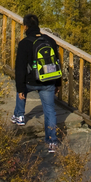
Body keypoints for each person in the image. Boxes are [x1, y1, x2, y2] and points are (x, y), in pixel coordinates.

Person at [13, 13, 62, 153]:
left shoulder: (24, 43)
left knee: (21, 90)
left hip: (30, 81)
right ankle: (52, 142)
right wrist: (57, 83)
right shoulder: (50, 41)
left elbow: (20, 68)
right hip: (48, 81)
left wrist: (20, 88)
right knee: (50, 111)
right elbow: (56, 63)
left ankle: (19, 115)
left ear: (25, 26)